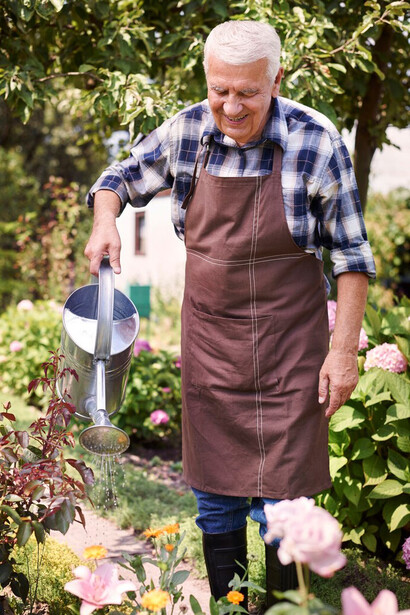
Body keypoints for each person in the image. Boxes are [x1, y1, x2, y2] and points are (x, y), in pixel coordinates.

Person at [85, 20, 375, 607]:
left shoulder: (316, 142)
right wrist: (104, 219)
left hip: (291, 348)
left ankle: (285, 609)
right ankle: (228, 606)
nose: (231, 107)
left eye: (248, 92)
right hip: (212, 346)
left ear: (277, 79)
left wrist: (342, 351)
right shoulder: (188, 129)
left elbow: (351, 255)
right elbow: (116, 177)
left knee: (284, 502)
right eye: (220, 90)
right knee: (215, 495)